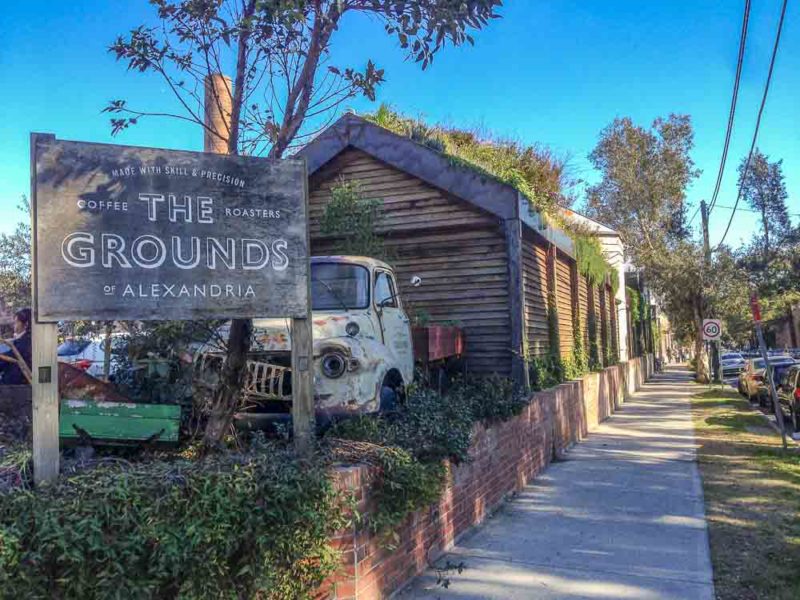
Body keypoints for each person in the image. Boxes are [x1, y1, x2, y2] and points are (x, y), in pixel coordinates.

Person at [0, 308, 32, 385]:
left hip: (16, 384)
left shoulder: (24, 342)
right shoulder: (27, 339)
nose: (14, 325)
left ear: (26, 324)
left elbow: (9, 357)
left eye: (16, 322)